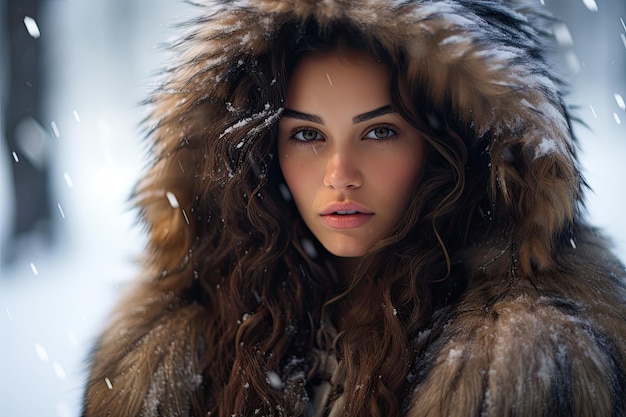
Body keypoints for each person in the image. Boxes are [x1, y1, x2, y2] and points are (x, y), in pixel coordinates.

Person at [81, 1, 626, 416]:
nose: (340, 174)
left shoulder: (540, 358)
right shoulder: (169, 347)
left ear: (452, 147)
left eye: (380, 131)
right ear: (262, 153)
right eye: (308, 135)